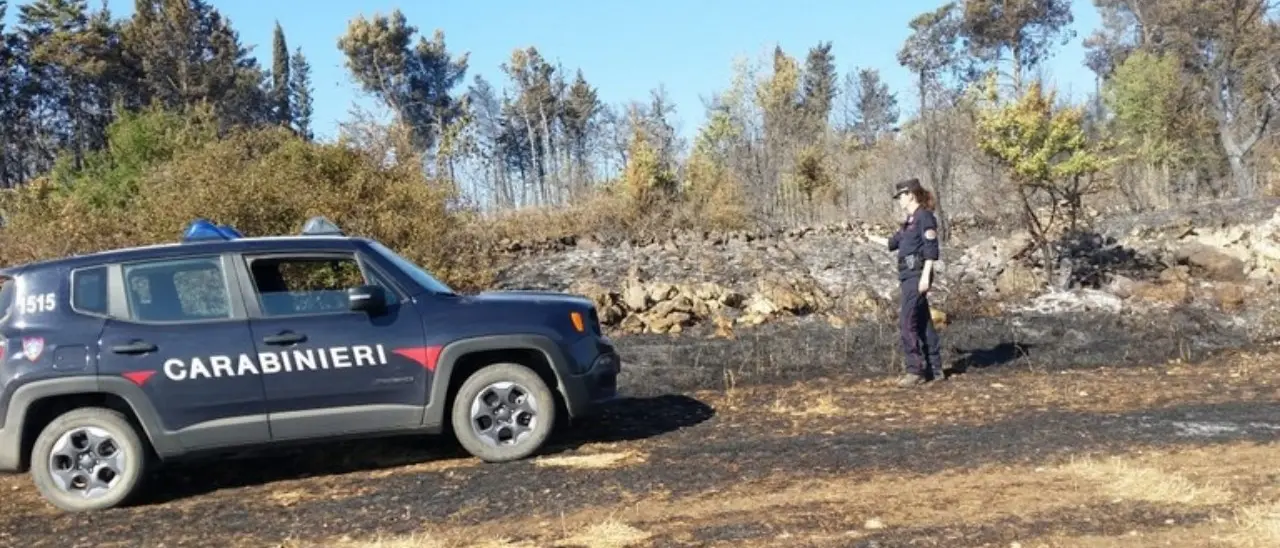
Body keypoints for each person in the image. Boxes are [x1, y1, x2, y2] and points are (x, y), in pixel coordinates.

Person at [886, 177, 944, 387]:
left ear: (910, 194)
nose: (899, 200)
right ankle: (935, 368)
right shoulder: (909, 222)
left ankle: (915, 370)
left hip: (917, 275)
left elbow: (931, 249)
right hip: (907, 276)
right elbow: (893, 243)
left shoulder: (924, 218)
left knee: (906, 322)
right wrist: (866, 237)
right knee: (922, 323)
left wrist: (925, 277)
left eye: (901, 196)